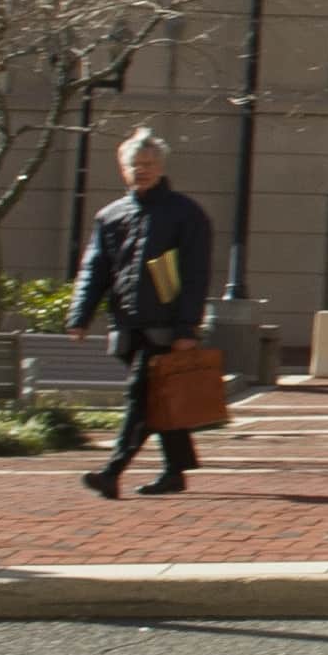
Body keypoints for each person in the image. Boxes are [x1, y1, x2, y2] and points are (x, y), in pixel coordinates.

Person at [66, 128, 214, 498]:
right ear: (123, 168)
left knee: (141, 396)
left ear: (161, 167)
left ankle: (112, 470)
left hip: (166, 328)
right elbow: (94, 269)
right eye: (135, 164)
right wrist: (80, 316)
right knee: (161, 398)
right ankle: (175, 472)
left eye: (149, 164)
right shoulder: (110, 216)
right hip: (127, 326)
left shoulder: (186, 213)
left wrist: (186, 328)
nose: (142, 170)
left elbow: (196, 275)